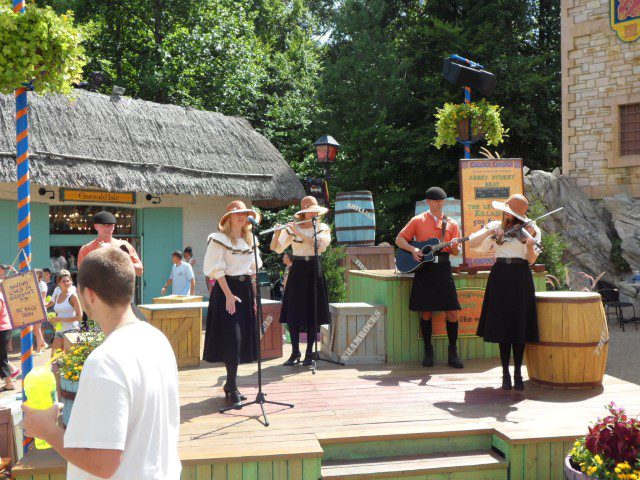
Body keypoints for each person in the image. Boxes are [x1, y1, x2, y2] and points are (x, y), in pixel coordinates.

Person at [22, 248, 181, 479]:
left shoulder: (106, 360)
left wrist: (46, 429)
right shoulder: (157, 339)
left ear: (89, 295)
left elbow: (104, 463)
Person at [468, 194, 541, 391]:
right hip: (500, 274)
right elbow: (473, 244)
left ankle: (518, 372)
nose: (506, 216)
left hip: (520, 276)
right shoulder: (495, 226)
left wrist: (530, 246)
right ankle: (505, 374)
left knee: (518, 326)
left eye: (510, 214)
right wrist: (490, 232)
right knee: (503, 326)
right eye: (506, 212)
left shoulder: (531, 230)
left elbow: (532, 260)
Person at [395, 187, 464, 369]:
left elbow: (456, 251)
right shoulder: (417, 220)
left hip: (443, 268)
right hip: (424, 269)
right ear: (428, 202)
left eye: (441, 201)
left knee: (452, 311)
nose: (439, 204)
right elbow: (400, 239)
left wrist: (456, 246)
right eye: (436, 201)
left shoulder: (451, 223)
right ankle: (428, 350)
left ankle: (453, 352)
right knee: (425, 312)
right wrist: (414, 249)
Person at [202, 200, 261, 408]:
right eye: (237, 213)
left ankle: (230, 384)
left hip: (244, 291)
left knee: (241, 339)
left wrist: (253, 299)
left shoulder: (250, 240)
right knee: (232, 339)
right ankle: (233, 386)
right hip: (226, 289)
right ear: (228, 218)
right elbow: (215, 270)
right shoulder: (219, 239)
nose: (241, 216)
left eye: (244, 213)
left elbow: (252, 271)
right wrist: (228, 295)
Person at [270, 196, 331, 367]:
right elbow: (276, 248)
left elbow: (320, 246)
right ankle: (295, 352)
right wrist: (276, 233)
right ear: (304, 213)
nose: (314, 213)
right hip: (298, 269)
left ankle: (310, 353)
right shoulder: (292, 228)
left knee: (313, 312)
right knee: (293, 312)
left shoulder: (322, 227)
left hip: (313, 267)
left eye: (315, 211)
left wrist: (298, 233)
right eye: (311, 211)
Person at [78, 211, 145, 323]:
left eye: (110, 225)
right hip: (99, 301)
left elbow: (139, 271)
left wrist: (118, 256)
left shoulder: (124, 246)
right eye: (104, 225)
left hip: (122, 299)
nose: (107, 228)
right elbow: (82, 277)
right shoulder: (87, 249)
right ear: (96, 226)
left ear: (114, 227)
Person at [46, 271, 83, 355]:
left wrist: (60, 319)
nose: (66, 283)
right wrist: (53, 319)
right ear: (58, 283)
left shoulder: (73, 296)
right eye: (64, 281)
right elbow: (51, 305)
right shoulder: (57, 295)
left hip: (71, 330)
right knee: (54, 358)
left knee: (69, 359)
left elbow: (79, 317)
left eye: (68, 281)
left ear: (71, 282)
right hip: (59, 331)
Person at [0, 290, 15, 392]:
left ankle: (9, 382)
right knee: (2, 357)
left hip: (2, 329)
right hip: (4, 329)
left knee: (2, 357)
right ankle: (9, 383)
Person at [34, 269, 49, 354]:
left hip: (40, 308)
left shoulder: (42, 284)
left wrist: (41, 308)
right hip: (34, 308)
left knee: (37, 329)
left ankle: (39, 349)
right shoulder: (33, 283)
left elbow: (43, 298)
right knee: (36, 330)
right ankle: (43, 344)